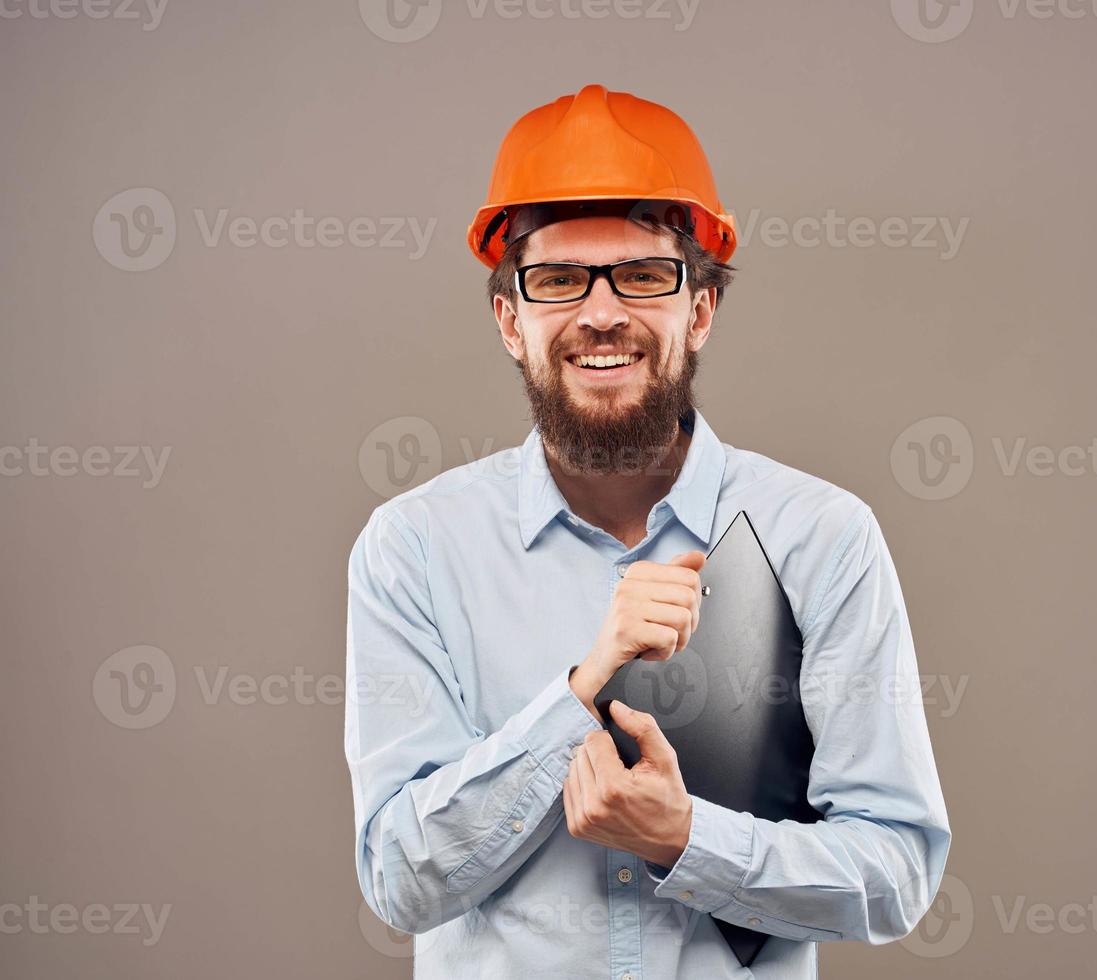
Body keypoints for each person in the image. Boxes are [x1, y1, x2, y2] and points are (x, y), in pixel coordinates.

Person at [344, 83, 951, 979]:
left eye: (642, 274)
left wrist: (686, 839)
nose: (600, 312)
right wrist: (582, 690)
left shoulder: (821, 539)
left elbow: (896, 873)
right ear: (511, 319)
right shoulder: (414, 550)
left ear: (698, 309)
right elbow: (400, 879)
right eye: (557, 279)